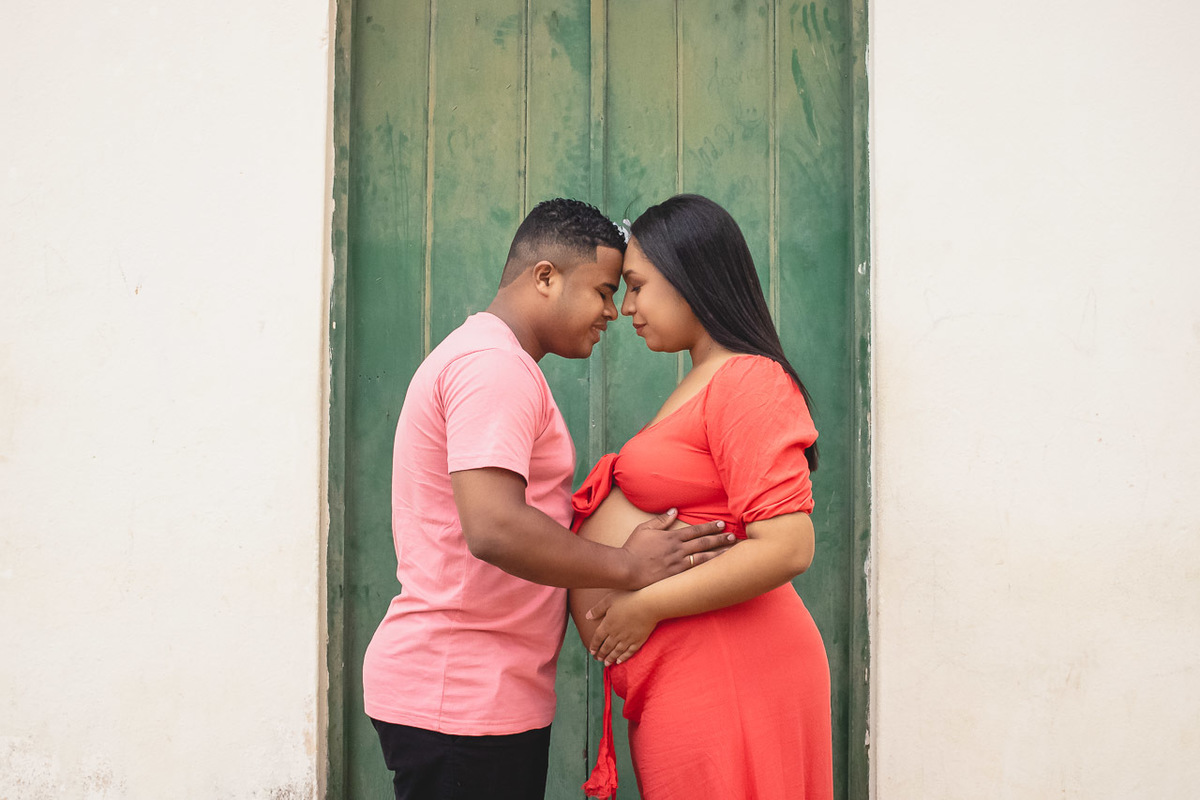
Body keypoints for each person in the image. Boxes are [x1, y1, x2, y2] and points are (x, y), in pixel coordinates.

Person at [361, 198, 735, 800]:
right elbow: (494, 527)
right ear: (545, 278)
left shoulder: (493, 361)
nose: (613, 311)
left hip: (476, 691)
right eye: (604, 290)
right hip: (459, 693)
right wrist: (629, 565)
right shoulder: (493, 368)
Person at [569, 194, 834, 799]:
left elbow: (789, 546)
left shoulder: (749, 378)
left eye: (636, 286)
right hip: (697, 672)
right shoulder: (706, 378)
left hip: (736, 671)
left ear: (688, 277)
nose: (627, 307)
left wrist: (646, 606)